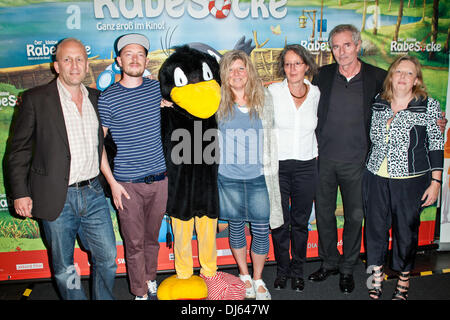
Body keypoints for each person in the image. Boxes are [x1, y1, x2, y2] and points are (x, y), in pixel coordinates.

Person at [7, 38, 117, 300]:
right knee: (64, 266)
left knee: (108, 258)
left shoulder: (97, 98)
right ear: (56, 65)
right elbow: (17, 150)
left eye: (79, 58)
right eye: (67, 59)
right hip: (56, 196)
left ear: (87, 64)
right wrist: (20, 193)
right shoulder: (35, 99)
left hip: (93, 193)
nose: (74, 65)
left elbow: (107, 142)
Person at [308, 24, 387, 294]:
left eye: (346, 45)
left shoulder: (377, 77)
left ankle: (347, 268)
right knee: (324, 215)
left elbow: (405, 96)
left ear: (358, 45)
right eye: (335, 47)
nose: (341, 52)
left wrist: (433, 115)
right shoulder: (322, 75)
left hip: (358, 162)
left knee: (355, 217)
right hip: (324, 159)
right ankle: (329, 262)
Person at [363, 55, 444, 300]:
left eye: (409, 73)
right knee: (375, 229)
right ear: (391, 75)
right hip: (375, 175)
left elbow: (436, 144)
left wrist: (436, 181)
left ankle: (404, 280)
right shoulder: (379, 101)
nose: (402, 77)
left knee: (405, 232)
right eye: (398, 72)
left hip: (411, 179)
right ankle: (375, 278)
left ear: (416, 79)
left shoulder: (429, 105)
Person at [98, 33, 168, 300]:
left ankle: (150, 279)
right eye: (129, 54)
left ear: (146, 60)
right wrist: (113, 183)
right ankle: (139, 291)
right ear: (119, 61)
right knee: (134, 243)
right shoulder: (108, 98)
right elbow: (99, 144)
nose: (135, 59)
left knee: (152, 240)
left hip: (160, 180)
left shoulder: (156, 89)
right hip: (127, 184)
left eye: (140, 54)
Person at [216, 50, 283, 300]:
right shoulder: (217, 100)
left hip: (258, 176)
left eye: (241, 68)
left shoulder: (264, 98)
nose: (236, 74)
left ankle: (258, 278)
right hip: (228, 176)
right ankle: (244, 276)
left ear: (249, 72)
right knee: (235, 227)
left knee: (261, 228)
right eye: (231, 69)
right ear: (225, 74)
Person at [268, 44, 320, 292]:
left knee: (300, 222)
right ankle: (282, 270)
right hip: (278, 166)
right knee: (279, 222)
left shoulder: (317, 93)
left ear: (306, 66)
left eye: (297, 63)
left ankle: (298, 270)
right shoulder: (273, 92)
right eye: (288, 64)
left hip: (307, 165)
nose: (292, 68)